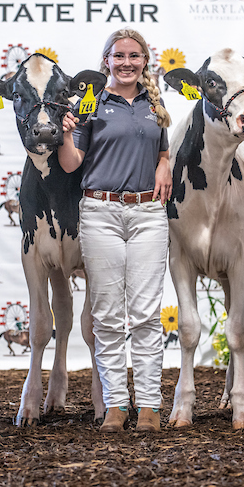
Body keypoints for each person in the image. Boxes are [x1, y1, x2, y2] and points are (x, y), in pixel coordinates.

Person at [58, 28, 172, 433]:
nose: (126, 63)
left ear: (145, 61)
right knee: (106, 315)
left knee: (144, 314)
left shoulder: (154, 105)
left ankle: (151, 407)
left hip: (147, 213)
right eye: (118, 56)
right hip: (100, 211)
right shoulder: (90, 104)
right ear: (105, 60)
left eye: (134, 56)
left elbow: (161, 150)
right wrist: (66, 132)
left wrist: (164, 163)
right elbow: (71, 165)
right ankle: (115, 406)